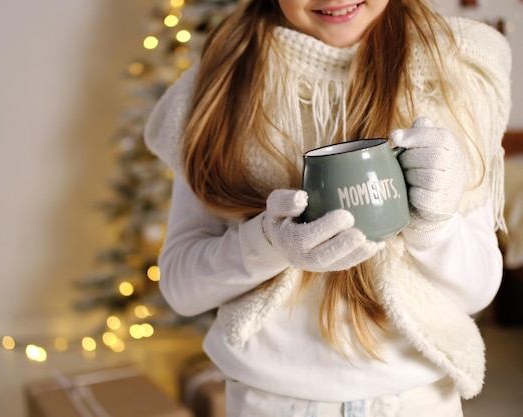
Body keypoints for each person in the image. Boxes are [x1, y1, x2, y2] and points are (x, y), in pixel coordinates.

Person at [144, 0, 512, 416]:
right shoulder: (220, 88)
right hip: (268, 403)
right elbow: (181, 286)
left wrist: (435, 225)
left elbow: (478, 291)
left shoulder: (459, 71)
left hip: (417, 400)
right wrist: (269, 243)